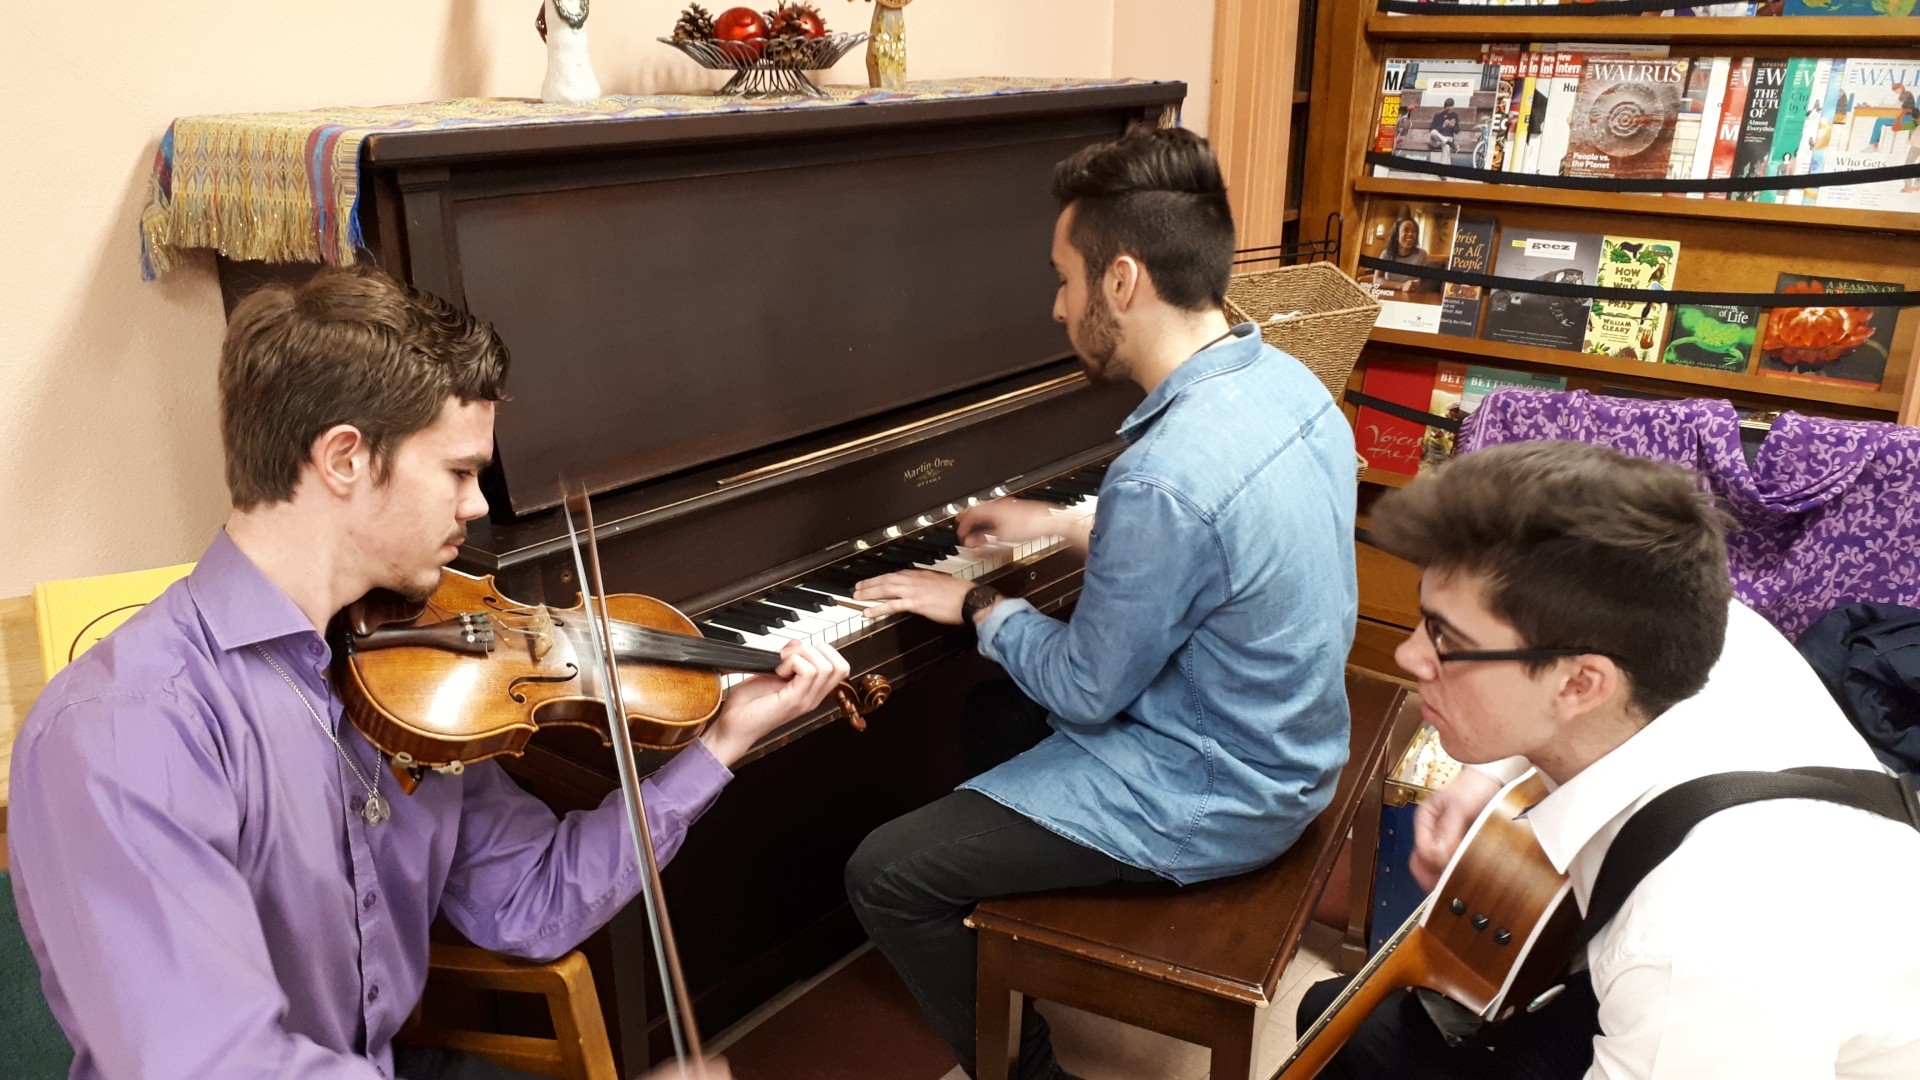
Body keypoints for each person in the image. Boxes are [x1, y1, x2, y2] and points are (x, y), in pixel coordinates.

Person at [7, 267, 851, 1080]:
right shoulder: (127, 728)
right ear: (344, 458)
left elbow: (528, 900)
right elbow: (214, 1065)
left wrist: (719, 744)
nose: (478, 505)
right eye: (459, 471)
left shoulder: (410, 669)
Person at [845, 125, 1358, 1080]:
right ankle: (1039, 955)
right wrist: (1065, 524)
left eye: (1064, 278)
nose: (1056, 306)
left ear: (1121, 281)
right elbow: (1218, 543)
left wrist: (975, 606)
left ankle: (1035, 1074)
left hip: (1221, 792)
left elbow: (1087, 689)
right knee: (994, 715)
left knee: (885, 871)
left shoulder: (1164, 473)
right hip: (1296, 749)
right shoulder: (1288, 383)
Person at [1297, 441, 1920, 1079]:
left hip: (1719, 1019)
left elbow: (1691, 979)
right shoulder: (1676, 621)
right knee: (1344, 1022)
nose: (1407, 657)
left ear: (1580, 683)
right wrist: (1483, 776)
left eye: (1446, 639)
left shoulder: (1697, 946)